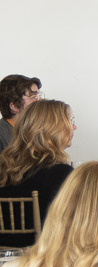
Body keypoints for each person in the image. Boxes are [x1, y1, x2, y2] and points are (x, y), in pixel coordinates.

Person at [0, 99, 76, 248]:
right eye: (70, 121)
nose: (74, 127)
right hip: (44, 261)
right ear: (52, 129)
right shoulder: (62, 174)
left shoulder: (3, 168)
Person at [0, 75, 41, 151]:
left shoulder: (35, 130)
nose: (40, 101)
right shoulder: (2, 137)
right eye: (33, 97)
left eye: (38, 96)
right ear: (15, 106)